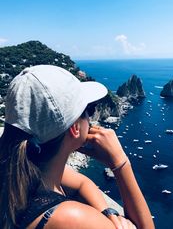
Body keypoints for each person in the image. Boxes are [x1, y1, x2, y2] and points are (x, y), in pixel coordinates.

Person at [0, 65, 155, 229]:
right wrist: (120, 163)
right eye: (90, 109)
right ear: (75, 127)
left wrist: (109, 212)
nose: (91, 118)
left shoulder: (17, 166)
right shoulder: (72, 219)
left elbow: (82, 183)